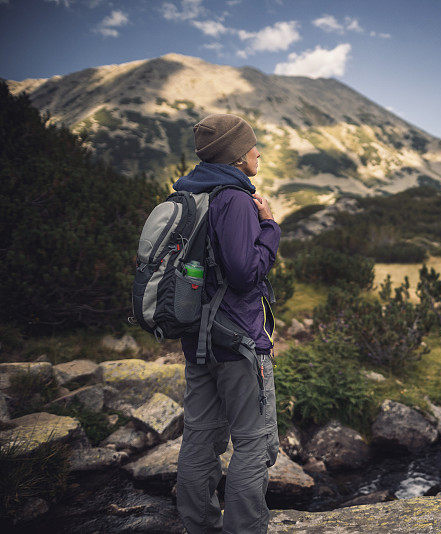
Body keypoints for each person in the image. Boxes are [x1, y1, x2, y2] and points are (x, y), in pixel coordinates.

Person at [173, 114, 281, 534]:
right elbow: (243, 272)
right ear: (237, 155)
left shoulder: (191, 193)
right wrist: (269, 228)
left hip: (199, 340)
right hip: (238, 342)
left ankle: (199, 527)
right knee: (254, 443)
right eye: (252, 146)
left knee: (200, 439)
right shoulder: (235, 199)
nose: (258, 152)